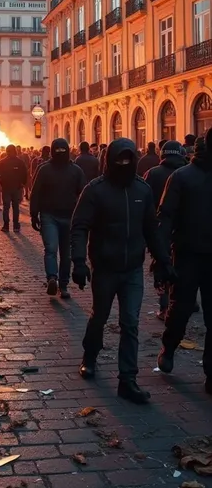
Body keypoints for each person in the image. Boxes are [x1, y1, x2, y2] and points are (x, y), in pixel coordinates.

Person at [70, 137, 175, 404]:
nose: (125, 163)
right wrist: (79, 262)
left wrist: (163, 261)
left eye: (129, 159)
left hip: (132, 270)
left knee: (130, 323)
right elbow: (80, 226)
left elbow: (151, 229)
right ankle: (90, 355)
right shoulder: (95, 190)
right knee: (99, 317)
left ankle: (127, 379)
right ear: (111, 160)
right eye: (120, 159)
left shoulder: (142, 190)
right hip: (105, 268)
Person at [156, 131, 212, 393]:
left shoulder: (181, 176)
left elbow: (165, 218)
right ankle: (169, 348)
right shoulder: (181, 177)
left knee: (192, 311)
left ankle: (206, 370)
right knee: (180, 310)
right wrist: (162, 256)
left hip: (196, 254)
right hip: (188, 253)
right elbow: (166, 217)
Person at [31, 138, 85, 298]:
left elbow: (35, 193)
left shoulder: (46, 169)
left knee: (52, 250)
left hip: (55, 215)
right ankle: (60, 283)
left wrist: (34, 214)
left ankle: (54, 278)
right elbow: (83, 195)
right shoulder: (75, 170)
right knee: (63, 252)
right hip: (61, 216)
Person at [143, 141, 187, 321]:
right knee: (184, 265)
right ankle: (186, 301)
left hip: (159, 228)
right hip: (184, 229)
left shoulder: (152, 174)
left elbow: (144, 200)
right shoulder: (188, 174)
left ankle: (164, 306)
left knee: (162, 263)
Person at [0, 144, 27, 233]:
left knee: (6, 207)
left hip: (6, 187)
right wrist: (22, 183)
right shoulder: (20, 162)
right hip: (17, 187)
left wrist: (1, 179)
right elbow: (25, 174)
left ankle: (6, 226)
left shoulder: (2, 162)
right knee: (15, 207)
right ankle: (16, 226)